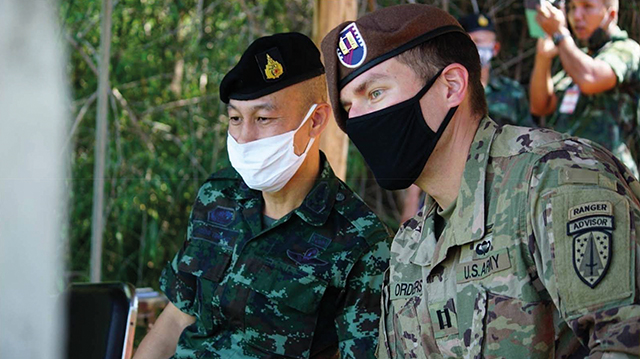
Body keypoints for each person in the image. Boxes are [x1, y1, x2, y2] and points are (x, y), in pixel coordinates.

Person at [321, 4, 640, 358]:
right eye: (349, 107)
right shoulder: (408, 246)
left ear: (451, 86)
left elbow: (625, 343)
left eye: (375, 93)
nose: (358, 120)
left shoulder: (557, 181)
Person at [133, 32, 391, 359]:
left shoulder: (359, 242)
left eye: (263, 118)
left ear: (315, 120)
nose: (244, 137)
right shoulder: (217, 197)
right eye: (235, 118)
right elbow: (175, 319)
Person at [530, 0, 640, 176]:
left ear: (611, 15)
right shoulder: (577, 58)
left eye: (587, 6)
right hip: (568, 177)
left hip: (612, 180)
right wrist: (543, 56)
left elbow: (590, 79)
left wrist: (559, 33)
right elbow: (540, 106)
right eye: (572, 8)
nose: (576, 16)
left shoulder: (626, 49)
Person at [458, 12, 536, 127]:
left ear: (495, 48)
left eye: (478, 42)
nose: (472, 47)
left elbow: (529, 137)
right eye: (467, 42)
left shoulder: (513, 92)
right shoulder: (449, 90)